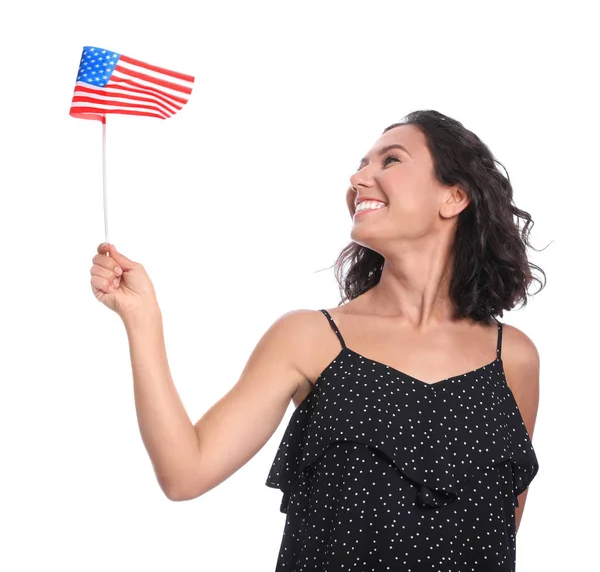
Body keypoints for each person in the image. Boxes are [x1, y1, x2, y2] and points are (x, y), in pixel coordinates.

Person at [89, 110, 543, 571]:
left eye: (390, 161)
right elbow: (185, 473)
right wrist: (142, 319)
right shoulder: (309, 338)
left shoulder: (513, 358)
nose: (358, 177)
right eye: (361, 164)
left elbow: (501, 534)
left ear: (454, 196)